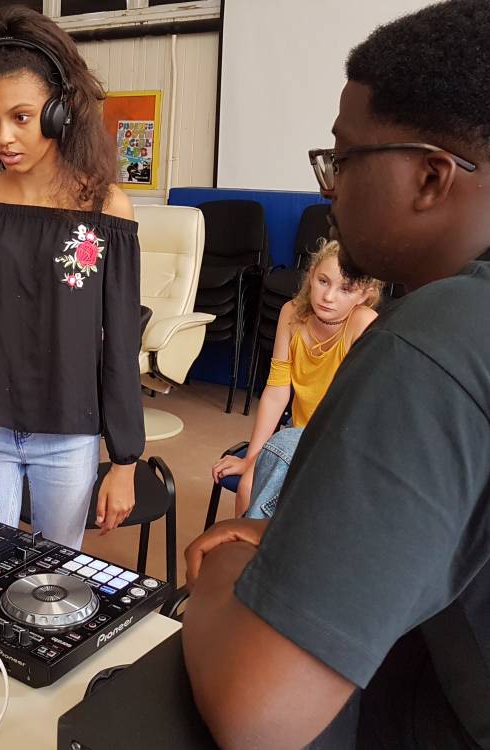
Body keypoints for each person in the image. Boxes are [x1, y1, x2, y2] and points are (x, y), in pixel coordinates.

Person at [183, 1, 490, 748]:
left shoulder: (435, 342)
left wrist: (223, 570)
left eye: (343, 159)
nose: (329, 186)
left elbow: (260, 715)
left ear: (430, 176)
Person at [0, 7, 144, 548]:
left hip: (71, 434)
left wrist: (125, 460)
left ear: (60, 111)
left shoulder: (106, 210)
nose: (4, 136)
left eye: (22, 117)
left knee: (53, 580)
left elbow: (119, 342)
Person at [212, 240, 381, 517]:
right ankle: (247, 552)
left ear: (364, 294)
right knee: (246, 486)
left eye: (345, 289)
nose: (328, 296)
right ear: (311, 275)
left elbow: (363, 409)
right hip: (294, 434)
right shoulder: (291, 313)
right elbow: (277, 391)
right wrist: (252, 459)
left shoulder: (362, 322)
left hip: (341, 438)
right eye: (323, 281)